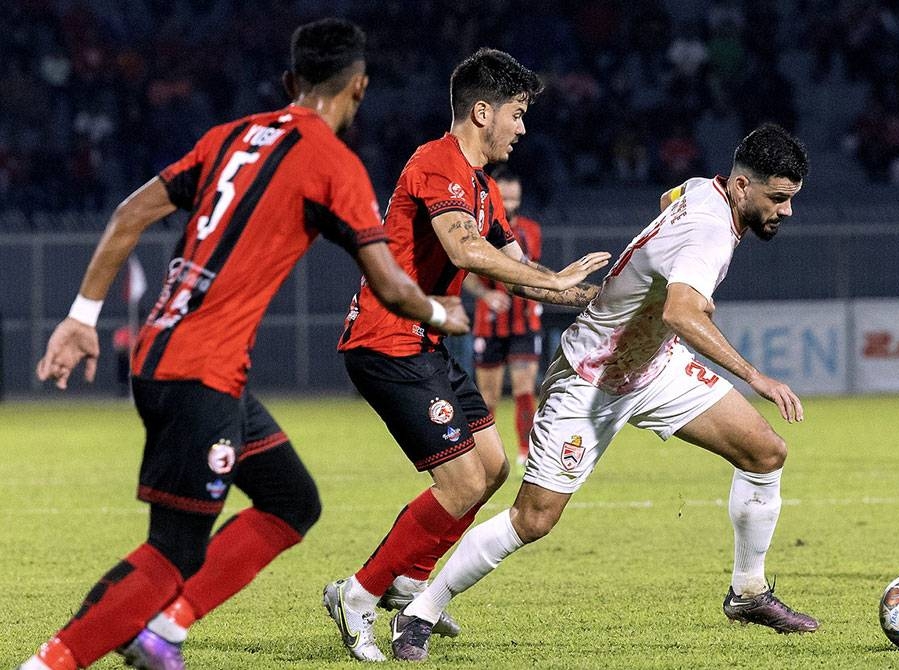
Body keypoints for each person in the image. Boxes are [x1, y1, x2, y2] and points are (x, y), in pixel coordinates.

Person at [22, 18, 469, 670]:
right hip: (198, 373)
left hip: (173, 355)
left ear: (291, 82)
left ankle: (162, 633)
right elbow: (393, 289)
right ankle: (54, 663)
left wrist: (82, 316)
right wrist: (440, 311)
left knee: (291, 501)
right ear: (360, 88)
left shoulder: (227, 136)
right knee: (170, 551)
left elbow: (128, 214)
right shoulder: (332, 164)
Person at [390, 123, 820, 662]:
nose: (786, 210)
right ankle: (421, 610)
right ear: (739, 186)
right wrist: (756, 376)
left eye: (790, 199)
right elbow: (680, 312)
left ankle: (749, 593)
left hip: (654, 367)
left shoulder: (700, 189)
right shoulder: (709, 233)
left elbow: (671, 199)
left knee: (765, 452)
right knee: (534, 519)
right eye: (778, 198)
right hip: (590, 379)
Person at [325, 47, 611, 663]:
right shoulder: (437, 163)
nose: (523, 127)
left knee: (492, 466)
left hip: (423, 342)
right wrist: (557, 284)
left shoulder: (483, 186)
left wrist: (591, 296)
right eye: (517, 113)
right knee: (459, 481)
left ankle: (408, 576)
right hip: (385, 340)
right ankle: (357, 594)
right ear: (483, 111)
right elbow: (463, 252)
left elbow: (516, 271)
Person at [463, 167, 545, 466]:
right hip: (489, 323)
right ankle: (487, 455)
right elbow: (468, 275)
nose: (510, 201)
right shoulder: (480, 230)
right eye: (505, 195)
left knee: (525, 389)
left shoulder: (531, 230)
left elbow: (532, 271)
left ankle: (527, 453)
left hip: (525, 324)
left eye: (514, 196)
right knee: (488, 396)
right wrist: (486, 295)